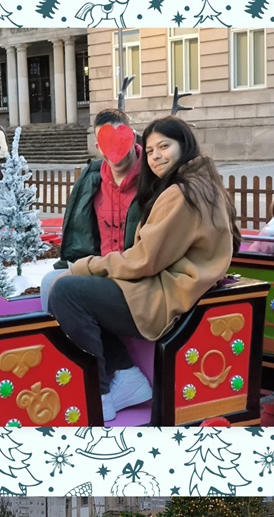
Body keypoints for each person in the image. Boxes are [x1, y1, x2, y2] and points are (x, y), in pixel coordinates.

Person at [48, 116, 241, 422]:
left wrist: (89, 265)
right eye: (150, 151)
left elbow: (143, 260)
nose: (156, 156)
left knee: (65, 291)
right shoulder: (203, 184)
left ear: (184, 145)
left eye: (164, 147)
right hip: (174, 283)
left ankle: (101, 392)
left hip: (169, 293)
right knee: (70, 286)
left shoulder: (181, 193)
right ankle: (124, 373)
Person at [40, 109, 143, 311]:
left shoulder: (152, 177)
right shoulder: (91, 181)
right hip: (99, 270)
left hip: (138, 276)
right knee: (50, 283)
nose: (114, 148)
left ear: (131, 137)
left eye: (119, 139)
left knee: (65, 289)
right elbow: (82, 236)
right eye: (106, 142)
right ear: (98, 147)